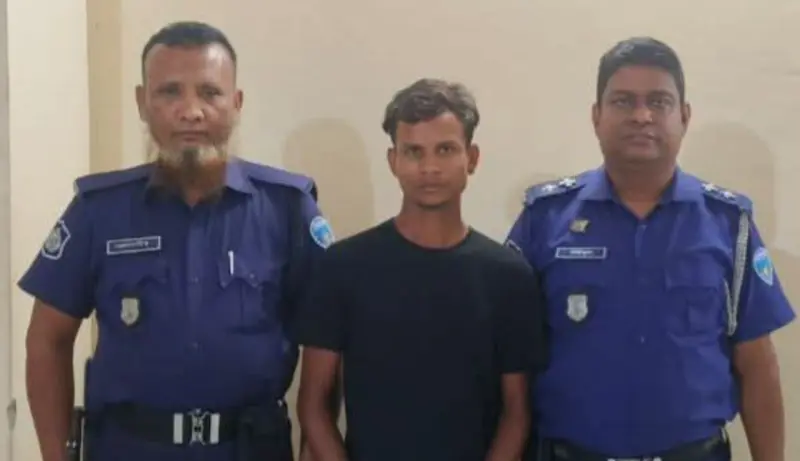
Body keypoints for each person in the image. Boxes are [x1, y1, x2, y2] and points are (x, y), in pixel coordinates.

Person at [20, 21, 334, 461]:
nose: (191, 111)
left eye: (210, 92)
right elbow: (46, 339)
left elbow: (326, 343)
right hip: (129, 449)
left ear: (236, 103)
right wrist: (56, 455)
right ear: (142, 103)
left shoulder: (288, 208)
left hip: (248, 449)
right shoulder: (99, 211)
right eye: (169, 92)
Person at [506, 37, 796, 461]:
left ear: (684, 116)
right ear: (596, 116)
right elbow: (509, 362)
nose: (641, 116)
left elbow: (757, 364)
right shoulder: (544, 219)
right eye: (623, 101)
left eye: (658, 102)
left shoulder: (728, 224)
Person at [294, 78, 548, 461]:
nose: (429, 167)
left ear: (472, 158)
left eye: (445, 149)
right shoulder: (343, 267)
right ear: (393, 160)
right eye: (413, 151)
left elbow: (517, 412)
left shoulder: (509, 277)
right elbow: (314, 405)